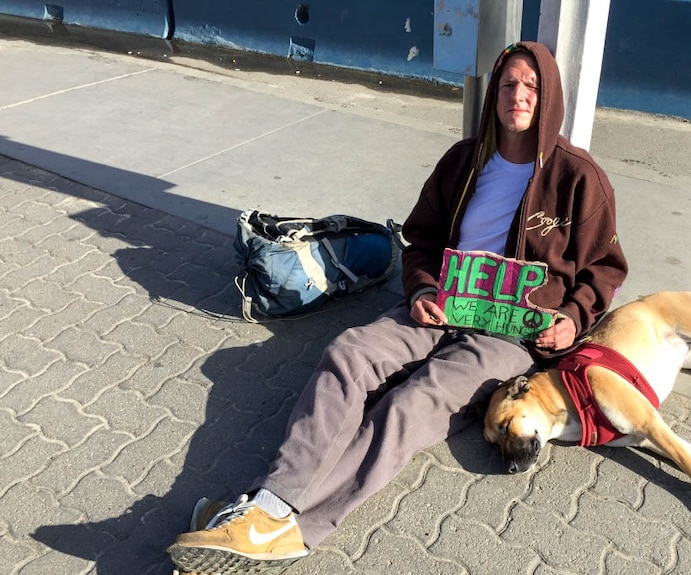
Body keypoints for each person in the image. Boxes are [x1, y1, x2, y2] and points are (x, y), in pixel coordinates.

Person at [168, 41, 627, 574]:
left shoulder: (578, 179)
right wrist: (422, 289)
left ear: (549, 98)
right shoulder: (462, 161)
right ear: (493, 93)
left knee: (415, 401)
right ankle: (270, 506)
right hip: (442, 306)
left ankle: (288, 526)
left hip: (509, 334)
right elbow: (421, 239)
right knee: (350, 353)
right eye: (509, 84)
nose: (519, 96)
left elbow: (606, 268)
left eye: (532, 87)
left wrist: (572, 318)